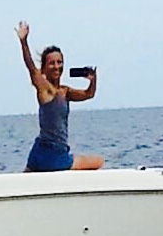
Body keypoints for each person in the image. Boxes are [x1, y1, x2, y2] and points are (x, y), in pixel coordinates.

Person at [16, 21, 102, 171]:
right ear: (44, 68)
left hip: (38, 154)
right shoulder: (45, 89)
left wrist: (93, 80)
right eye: (51, 63)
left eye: (59, 62)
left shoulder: (65, 91)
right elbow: (31, 67)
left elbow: (89, 94)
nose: (56, 66)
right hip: (54, 157)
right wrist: (23, 41)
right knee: (98, 162)